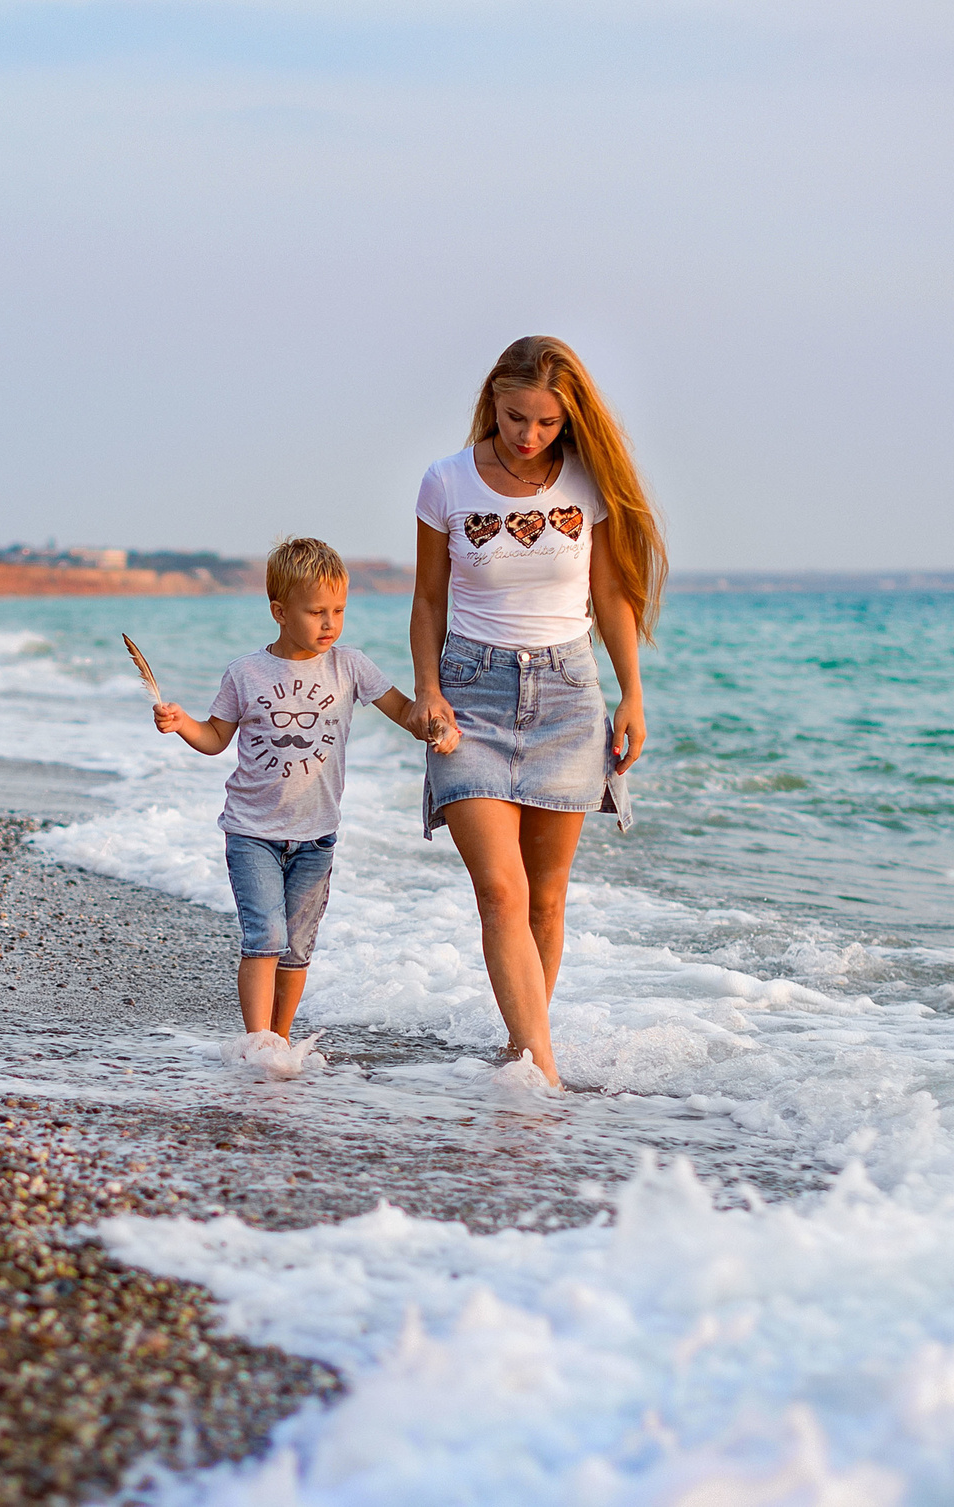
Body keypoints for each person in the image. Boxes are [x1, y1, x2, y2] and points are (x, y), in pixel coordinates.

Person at [406, 336, 666, 1088]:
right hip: (471, 698)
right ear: (492, 398)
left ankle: (522, 1052)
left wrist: (633, 693)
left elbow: (613, 597)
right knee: (501, 890)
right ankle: (540, 1068)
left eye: (547, 423)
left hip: (568, 695)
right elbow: (427, 599)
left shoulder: (587, 483)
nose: (529, 435)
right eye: (517, 416)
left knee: (547, 898)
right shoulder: (446, 482)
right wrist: (428, 687)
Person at [153, 536, 459, 1050]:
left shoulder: (351, 666)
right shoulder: (245, 673)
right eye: (316, 611)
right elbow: (214, 739)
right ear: (279, 611)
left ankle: (282, 1039)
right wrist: (183, 722)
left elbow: (405, 713)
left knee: (296, 949)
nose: (329, 623)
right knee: (264, 940)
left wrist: (434, 725)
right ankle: (256, 1045)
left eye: (338, 610)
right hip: (251, 832)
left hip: (317, 837)